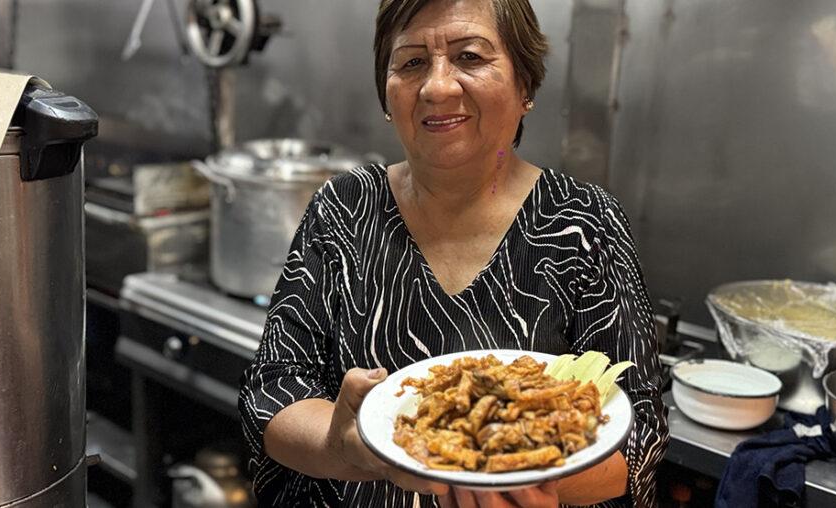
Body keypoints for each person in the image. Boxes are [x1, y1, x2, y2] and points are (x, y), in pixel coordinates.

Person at [238, 0, 668, 506]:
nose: (438, 87)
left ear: (525, 85)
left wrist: (527, 471)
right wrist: (343, 446)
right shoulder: (344, 208)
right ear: (386, 92)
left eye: (469, 56)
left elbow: (639, 436)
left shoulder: (585, 222)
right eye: (412, 62)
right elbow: (272, 390)